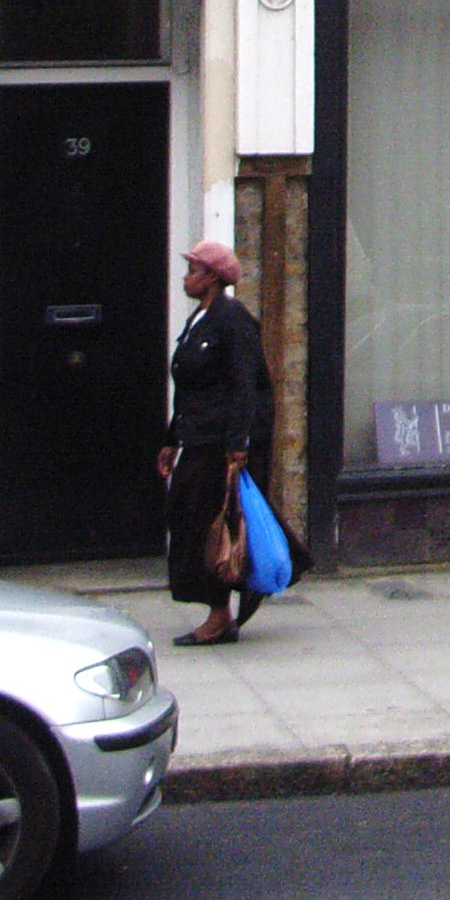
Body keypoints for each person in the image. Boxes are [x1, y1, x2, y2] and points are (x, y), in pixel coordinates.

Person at [158, 239, 286, 646]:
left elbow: (246, 386)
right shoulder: (201, 317)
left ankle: (219, 614)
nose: (186, 276)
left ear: (211, 277)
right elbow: (192, 387)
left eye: (192, 269)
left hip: (220, 446)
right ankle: (216, 608)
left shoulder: (233, 321)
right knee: (187, 519)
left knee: (211, 526)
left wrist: (238, 446)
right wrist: (171, 439)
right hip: (197, 438)